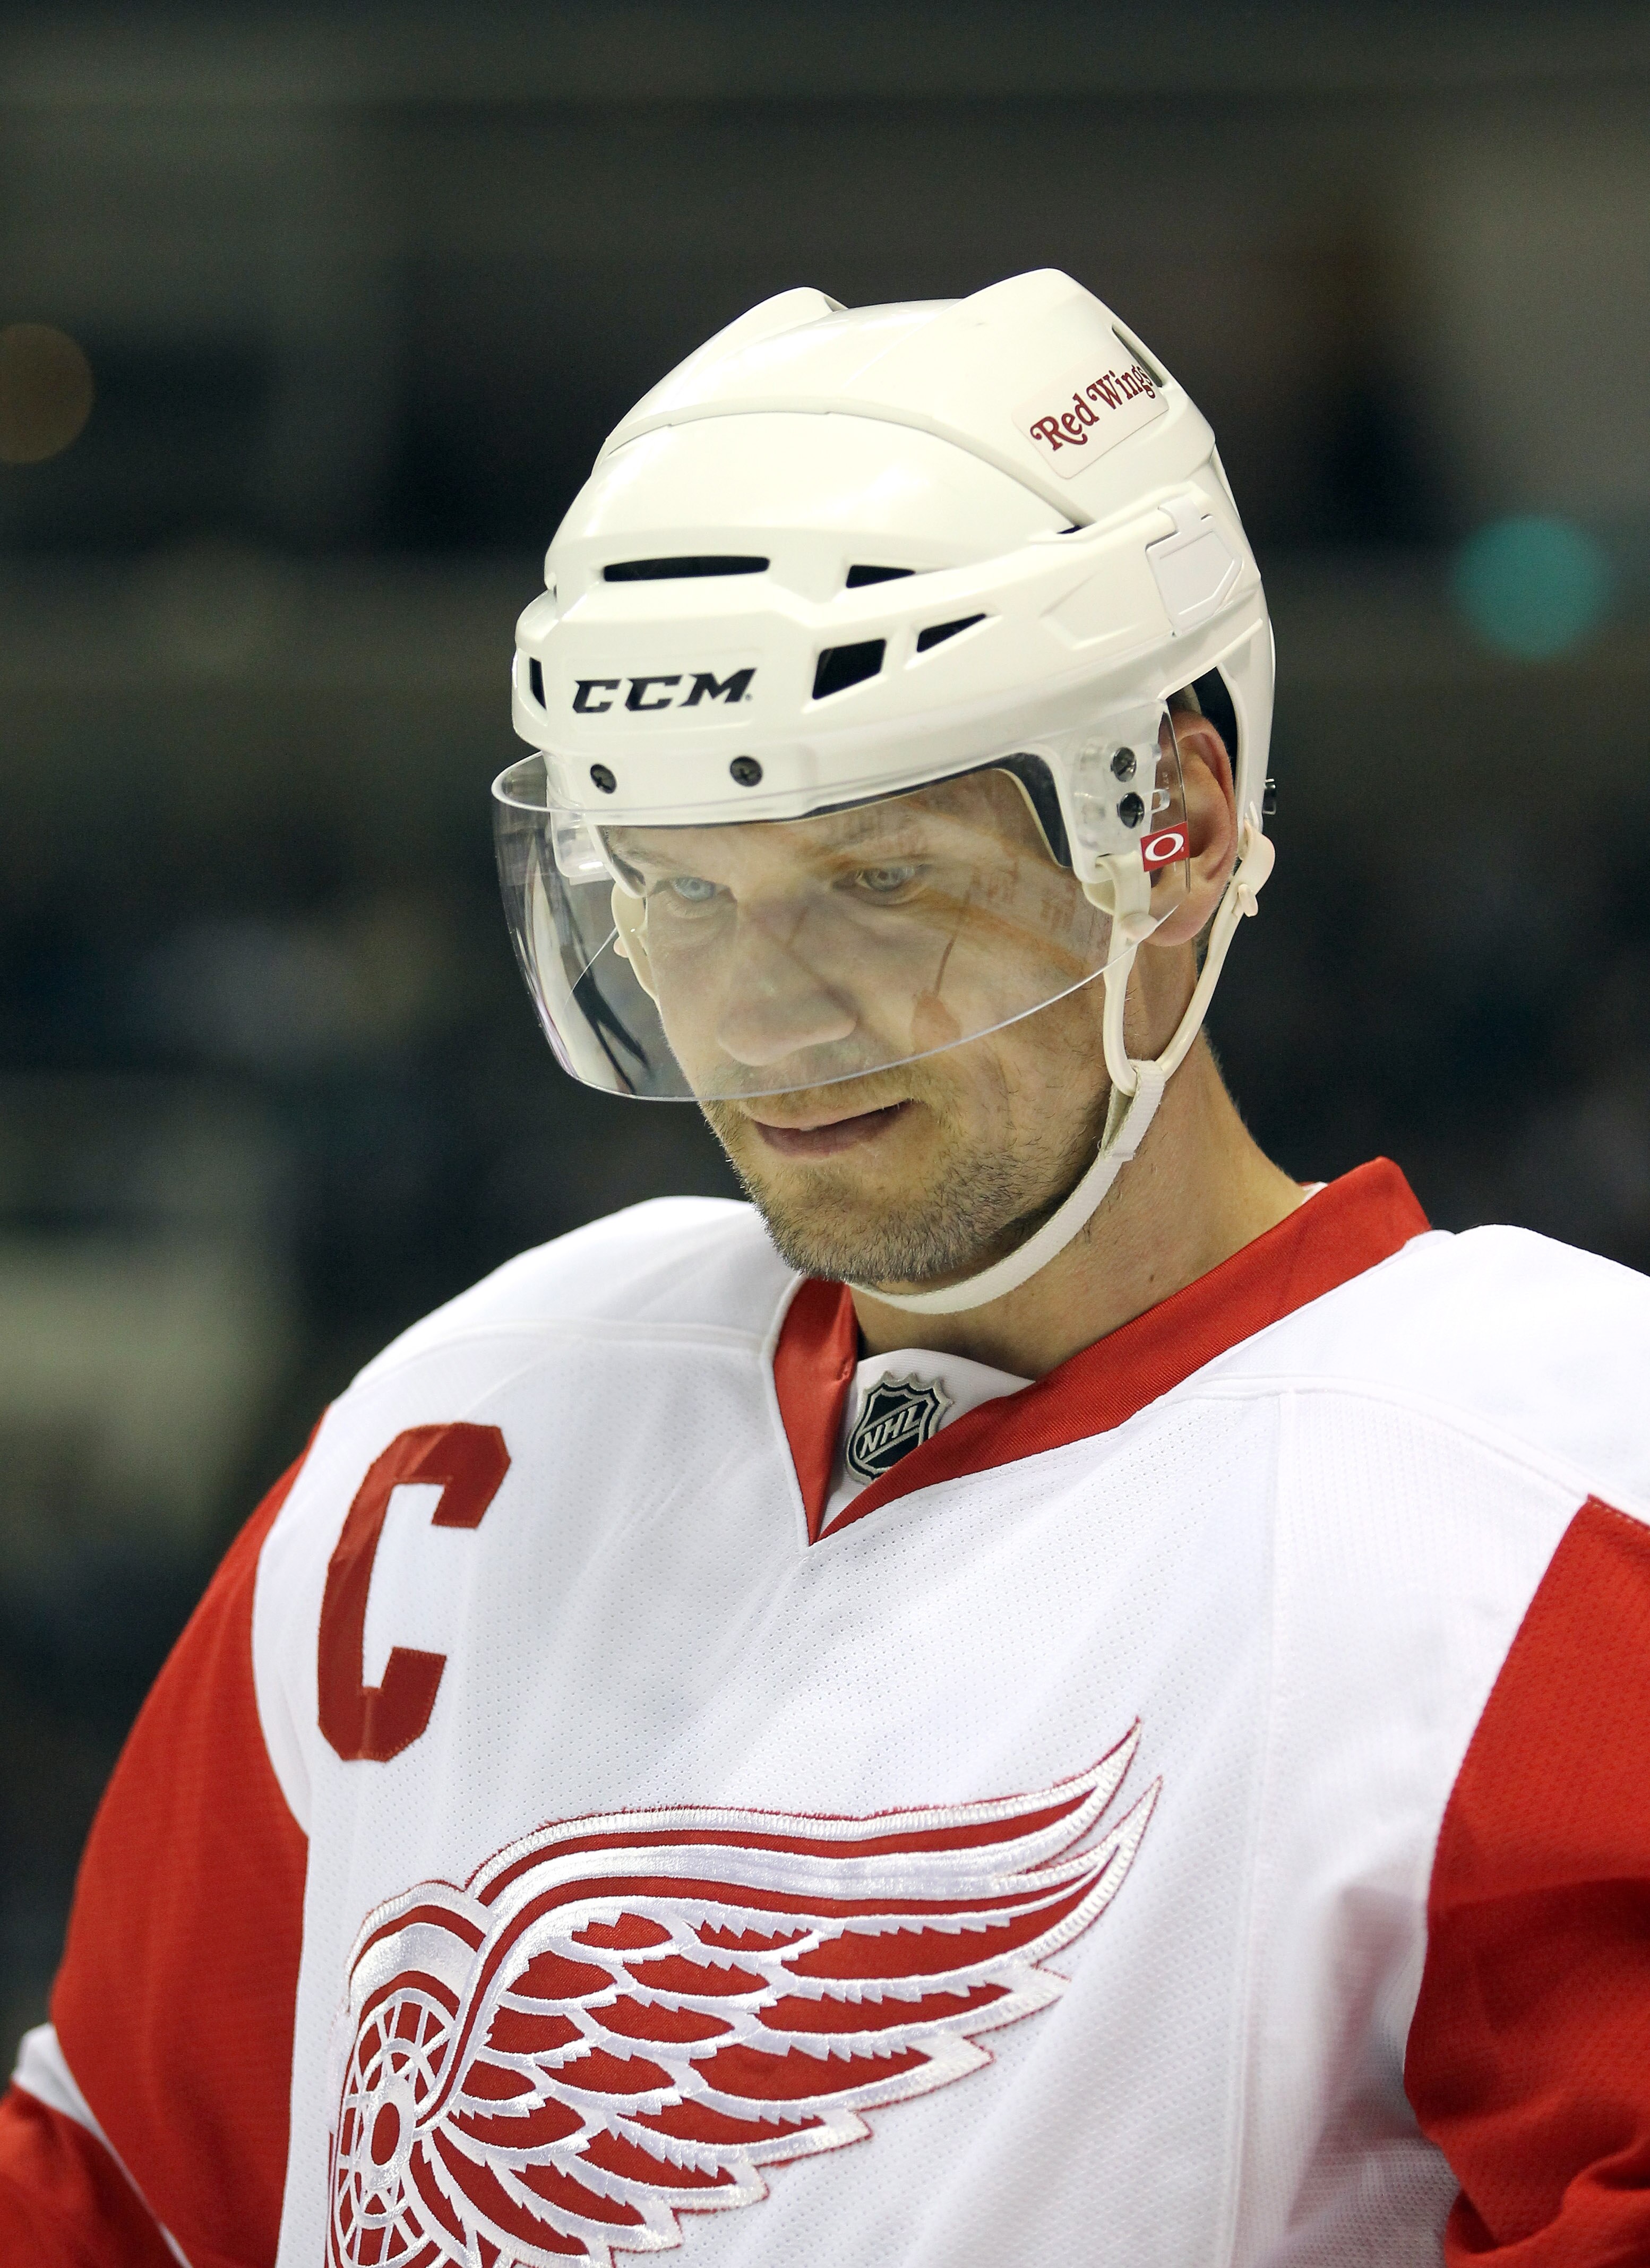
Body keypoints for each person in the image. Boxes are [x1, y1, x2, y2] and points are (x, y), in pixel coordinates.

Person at [3, 268, 1648, 2268]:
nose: (763, 1021)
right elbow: (115, 2199)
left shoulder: (1552, 1507)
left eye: (879, 883)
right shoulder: (459, 1436)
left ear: (1179, 827)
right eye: (681, 891)